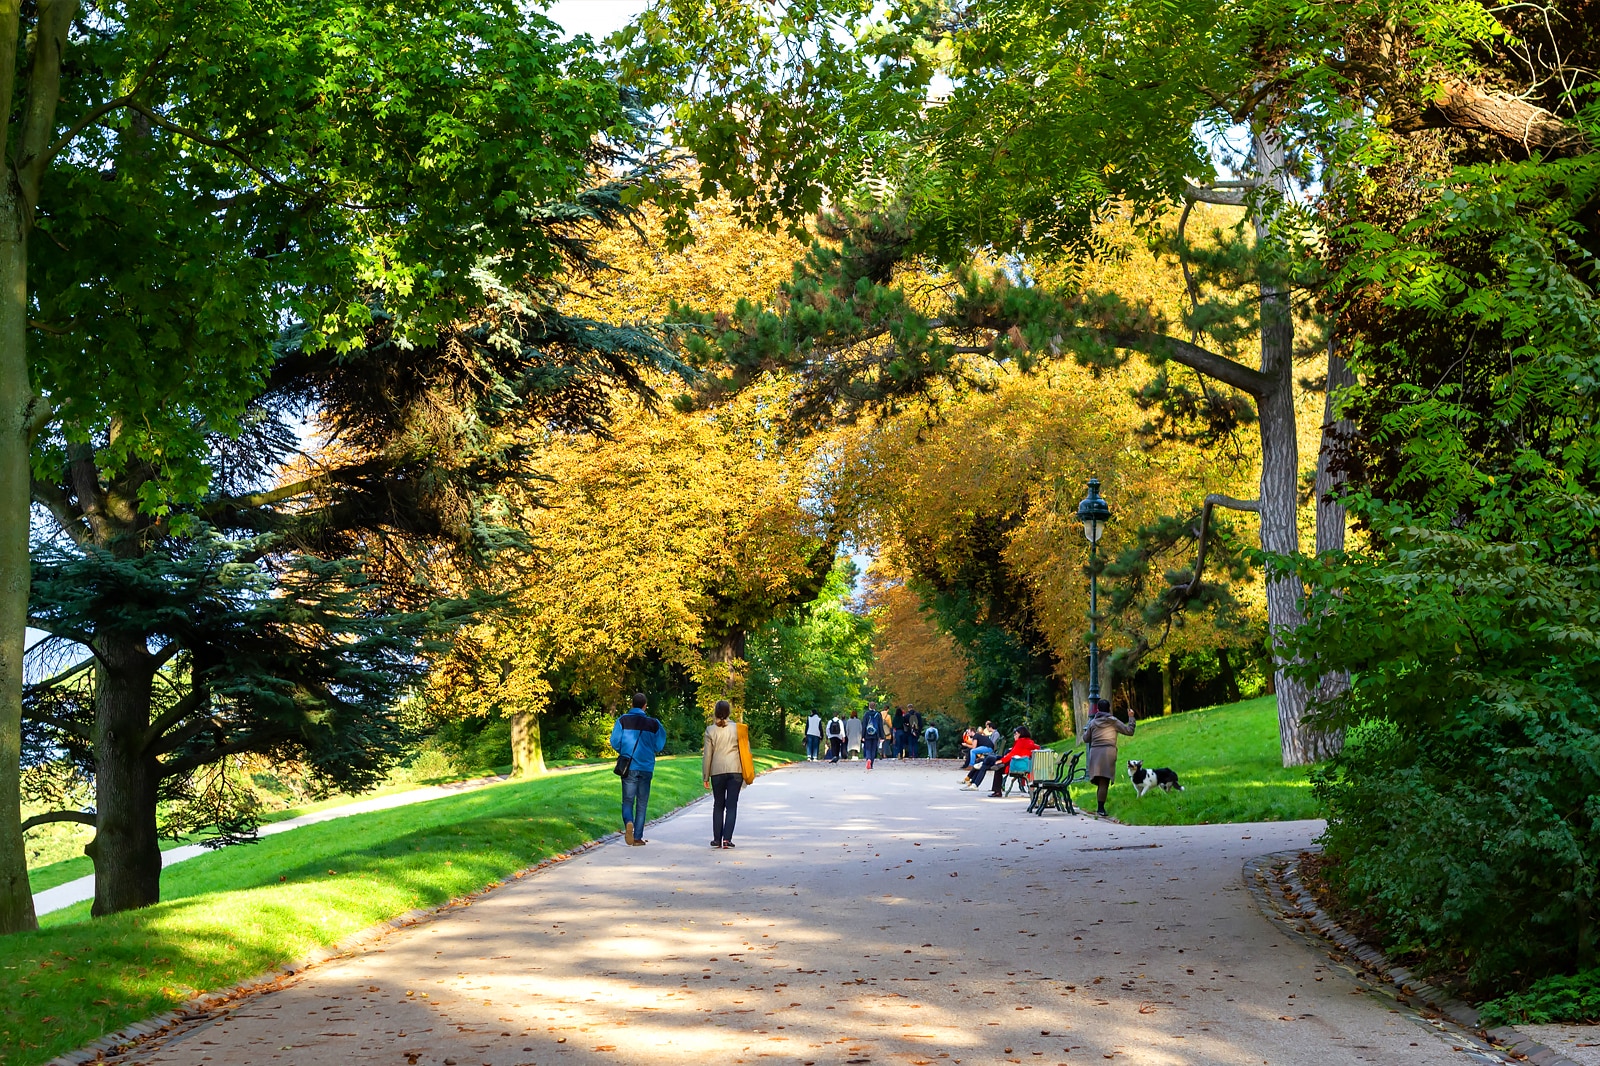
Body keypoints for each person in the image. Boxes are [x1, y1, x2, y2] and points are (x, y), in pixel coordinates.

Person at [610, 692, 667, 846]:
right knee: (642, 802)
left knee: (628, 801)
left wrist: (624, 750)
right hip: (646, 767)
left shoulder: (622, 720)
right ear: (644, 706)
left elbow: (614, 741)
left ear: (631, 705)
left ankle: (629, 821)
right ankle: (637, 837)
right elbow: (659, 745)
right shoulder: (654, 723)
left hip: (629, 767)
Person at [1079, 698, 1136, 816]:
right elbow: (1129, 731)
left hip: (1095, 754)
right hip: (1108, 753)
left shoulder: (1093, 723)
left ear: (1098, 709)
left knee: (1099, 782)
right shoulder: (1113, 721)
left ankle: (1099, 807)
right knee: (1104, 782)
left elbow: (1085, 739)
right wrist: (1131, 717)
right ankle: (1101, 809)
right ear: (1109, 709)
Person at [703, 700, 744, 849]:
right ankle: (727, 839)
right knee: (732, 805)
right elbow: (745, 752)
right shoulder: (738, 729)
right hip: (735, 770)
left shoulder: (710, 730)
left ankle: (716, 839)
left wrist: (705, 776)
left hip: (717, 771)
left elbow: (708, 755)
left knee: (718, 805)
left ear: (715, 713)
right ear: (729, 712)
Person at [965, 725, 1040, 796]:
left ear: (1021, 734)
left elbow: (1012, 754)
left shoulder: (1021, 742)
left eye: (1016, 734)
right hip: (1019, 762)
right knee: (991, 763)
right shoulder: (1028, 741)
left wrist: (1002, 761)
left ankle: (995, 790)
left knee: (994, 764)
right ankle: (980, 780)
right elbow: (1036, 747)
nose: (1014, 736)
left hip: (1016, 764)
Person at [863, 702, 884, 768]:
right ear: (875, 707)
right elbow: (880, 726)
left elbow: (864, 725)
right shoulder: (878, 714)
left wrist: (863, 736)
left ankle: (868, 759)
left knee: (868, 748)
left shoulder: (866, 714)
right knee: (873, 749)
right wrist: (881, 736)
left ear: (869, 706)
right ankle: (871, 764)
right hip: (875, 734)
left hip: (867, 734)